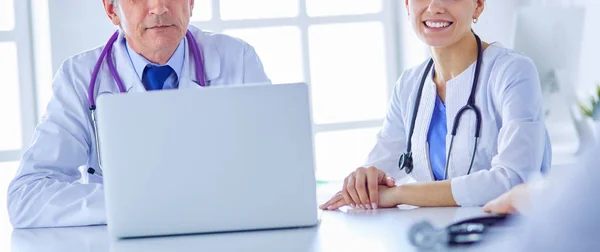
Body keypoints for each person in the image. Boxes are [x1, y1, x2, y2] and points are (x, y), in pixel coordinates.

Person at [7, 0, 270, 228]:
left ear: (191, 2)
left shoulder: (238, 59)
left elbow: (277, 169)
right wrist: (131, 205)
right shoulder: (79, 78)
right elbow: (27, 197)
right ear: (112, 9)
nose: (159, 8)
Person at [320, 0, 551, 211]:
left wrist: (399, 194)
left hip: (508, 237)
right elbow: (379, 171)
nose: (435, 6)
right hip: (434, 237)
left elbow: (515, 181)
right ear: (407, 5)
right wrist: (363, 181)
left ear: (478, 5)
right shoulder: (409, 86)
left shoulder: (511, 71)